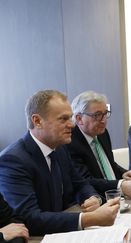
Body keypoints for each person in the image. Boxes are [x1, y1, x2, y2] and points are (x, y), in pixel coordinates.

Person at [0, 90, 119, 235]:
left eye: (70, 118)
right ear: (37, 121)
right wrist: (88, 219)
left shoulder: (60, 148)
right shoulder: (13, 160)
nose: (72, 125)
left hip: (63, 232)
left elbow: (81, 184)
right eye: (63, 119)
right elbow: (29, 218)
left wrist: (91, 197)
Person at [67, 91, 131, 199]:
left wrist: (124, 173)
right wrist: (120, 185)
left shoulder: (102, 133)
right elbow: (85, 181)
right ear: (79, 118)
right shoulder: (69, 142)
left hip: (116, 196)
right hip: (94, 200)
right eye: (97, 115)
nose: (104, 120)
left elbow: (109, 164)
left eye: (105, 113)